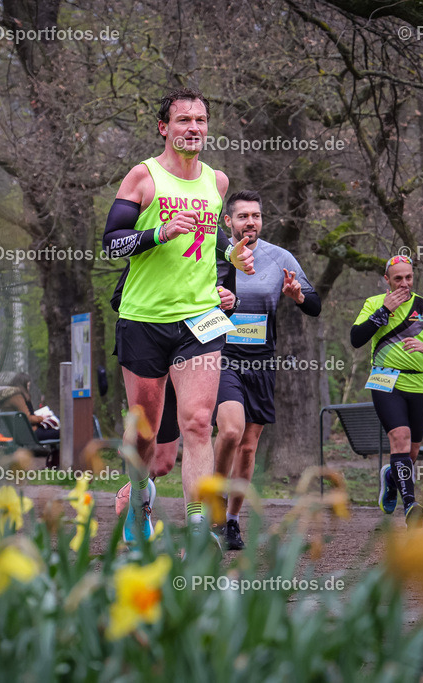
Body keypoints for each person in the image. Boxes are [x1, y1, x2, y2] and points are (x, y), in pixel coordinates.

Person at [102, 87, 254, 545]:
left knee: (196, 422)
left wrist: (234, 256)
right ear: (164, 128)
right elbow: (112, 242)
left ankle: (196, 527)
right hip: (144, 319)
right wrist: (159, 231)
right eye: (184, 121)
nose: (193, 128)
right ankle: (140, 499)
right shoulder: (142, 178)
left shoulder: (218, 182)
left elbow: (208, 241)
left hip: (199, 320)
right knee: (146, 438)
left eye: (201, 121)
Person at [213, 190, 321, 550]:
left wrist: (298, 296)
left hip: (261, 360)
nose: (250, 222)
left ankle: (231, 521)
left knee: (247, 448)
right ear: (228, 222)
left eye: (256, 216)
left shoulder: (279, 257)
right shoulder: (214, 257)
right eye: (243, 216)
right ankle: (212, 505)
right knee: (230, 431)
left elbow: (314, 304)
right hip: (222, 354)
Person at [110, 261, 238, 514]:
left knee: (187, 440)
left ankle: (198, 526)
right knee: (154, 454)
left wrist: (232, 302)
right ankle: (138, 492)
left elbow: (228, 305)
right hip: (152, 353)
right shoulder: (161, 242)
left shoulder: (220, 253)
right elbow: (118, 299)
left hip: (193, 355)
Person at [350, 254, 423, 529]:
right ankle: (410, 504)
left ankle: (390, 478)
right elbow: (356, 338)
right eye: (398, 278)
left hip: (418, 384)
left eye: (408, 277)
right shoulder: (374, 304)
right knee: (401, 437)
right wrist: (383, 311)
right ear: (387, 280)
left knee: (411, 452)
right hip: (385, 381)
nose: (404, 283)